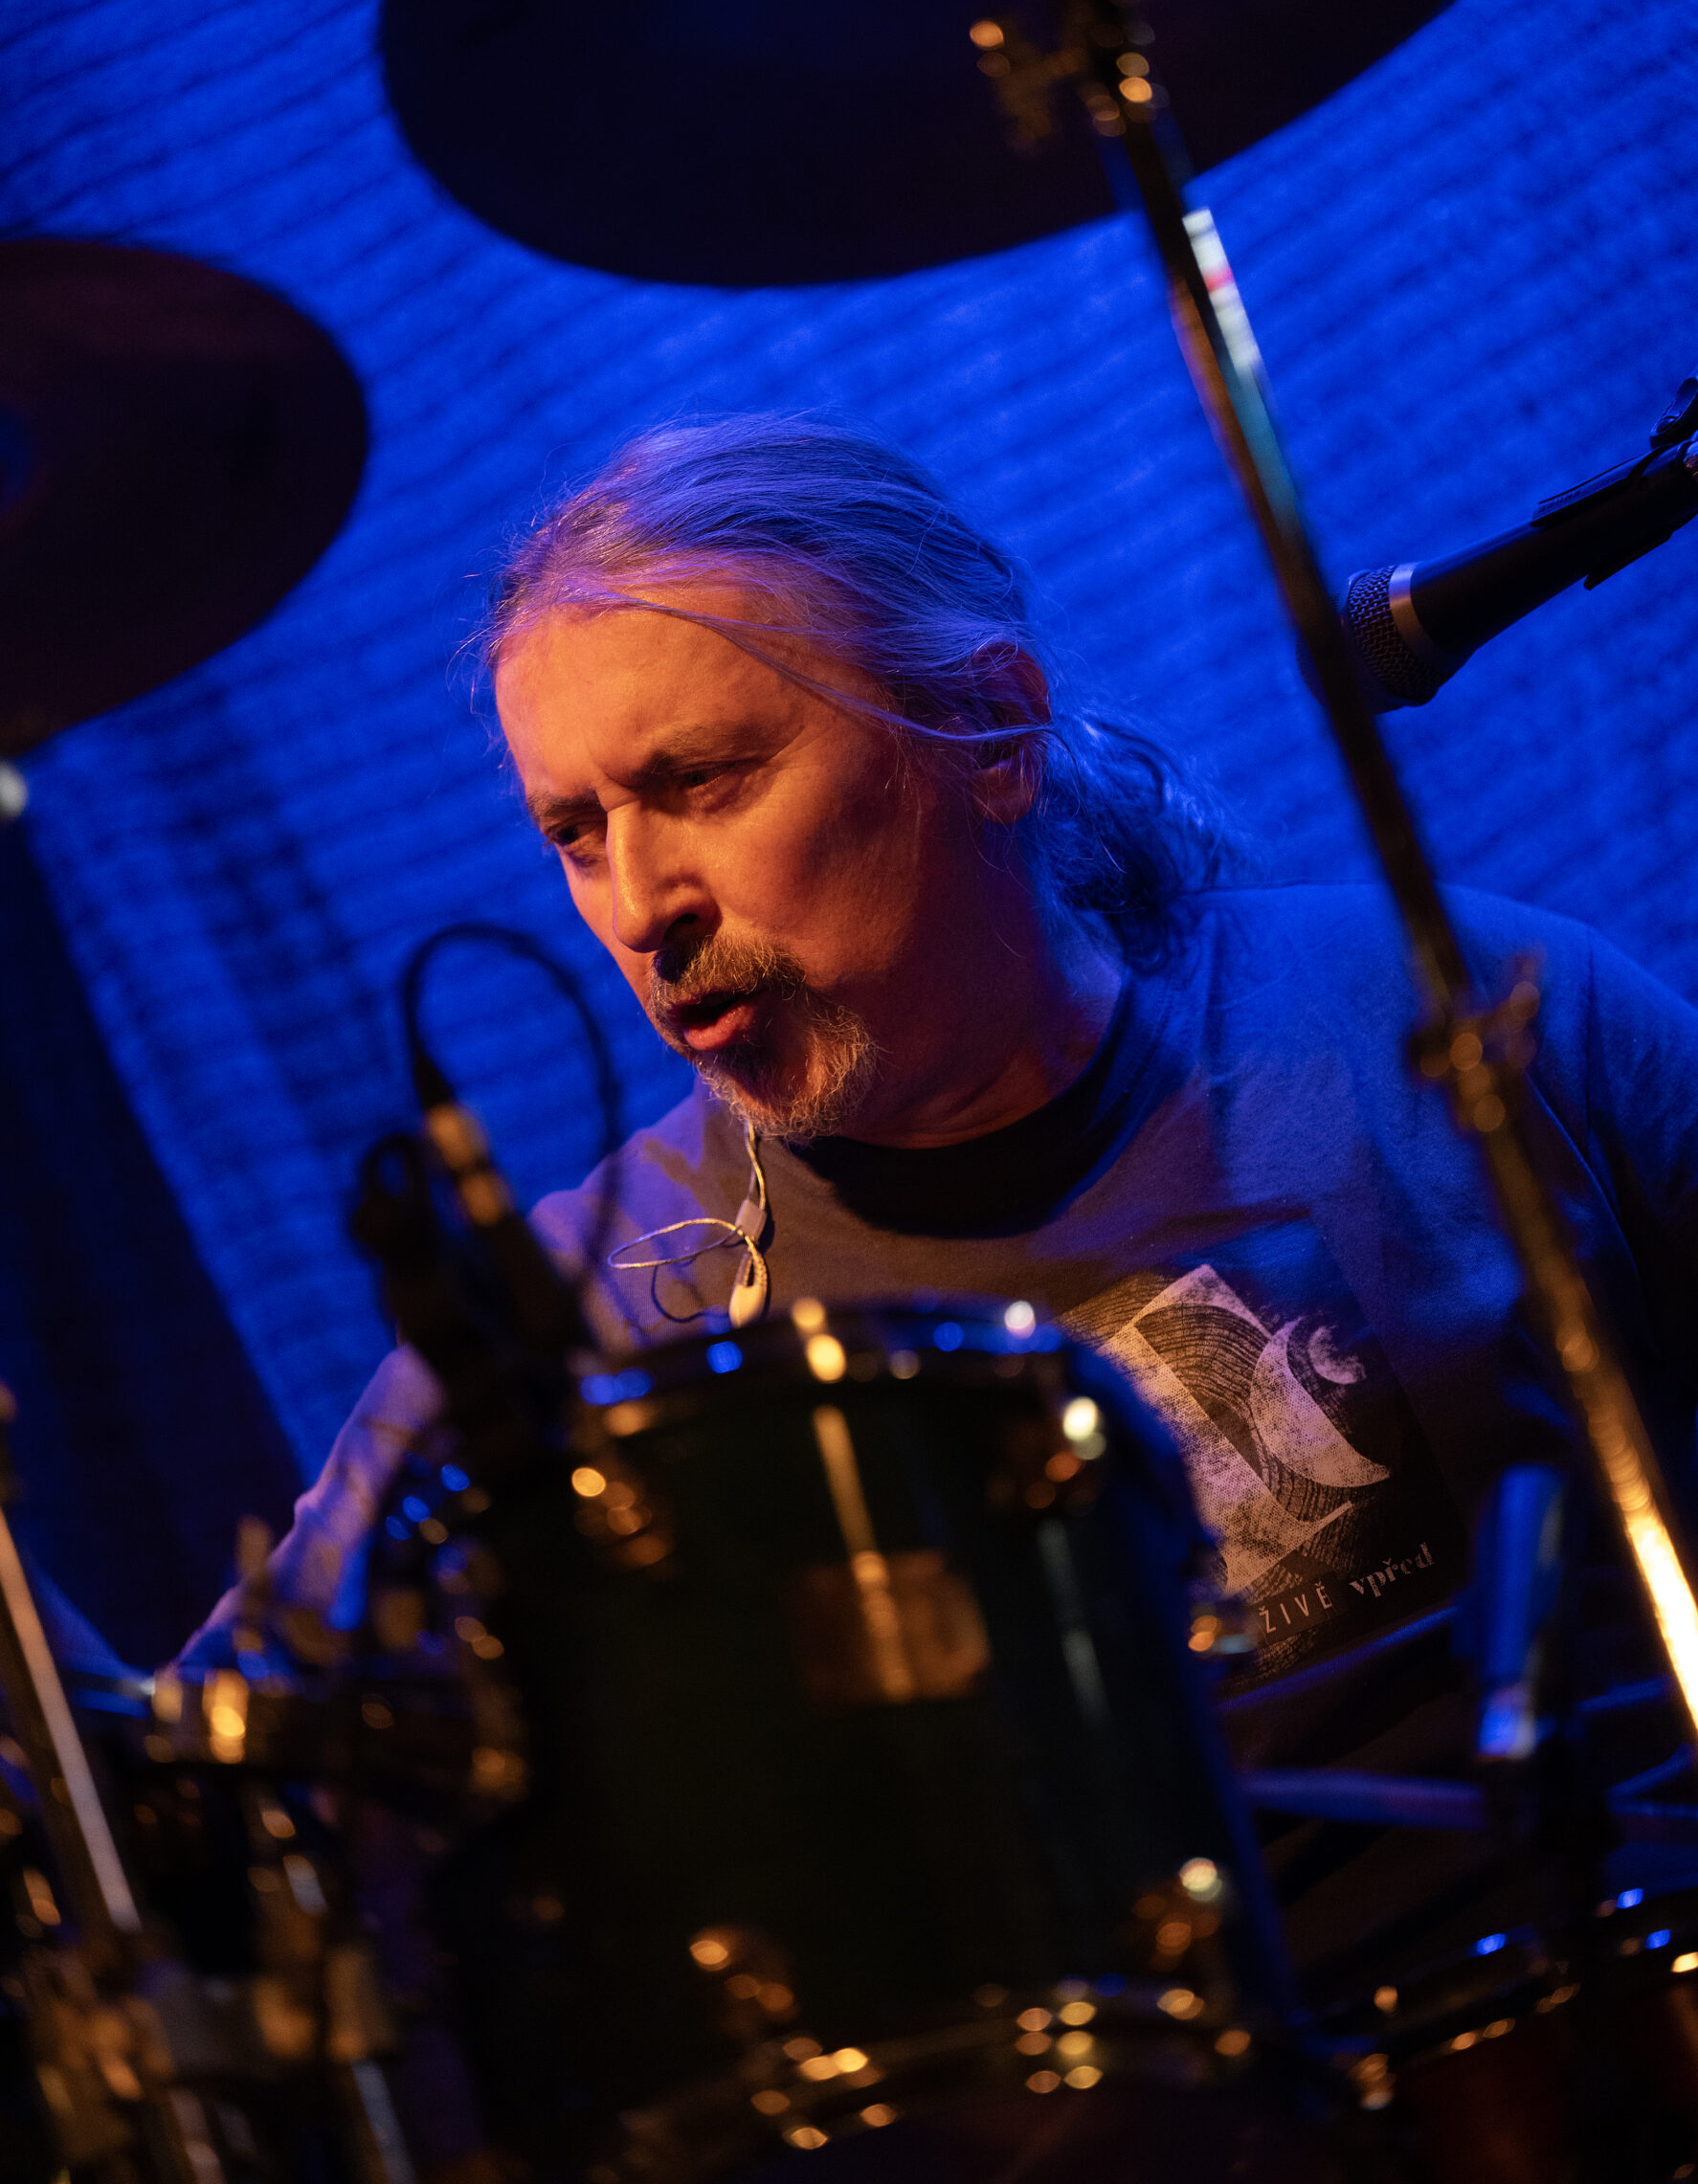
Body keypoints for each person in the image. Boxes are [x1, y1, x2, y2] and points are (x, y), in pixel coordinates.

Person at [190, 414, 1698, 2010]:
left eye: (700, 783)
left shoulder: (1450, 1003)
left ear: (989, 730)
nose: (638, 906)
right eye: (576, 832)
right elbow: (217, 1775)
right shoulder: (578, 1323)